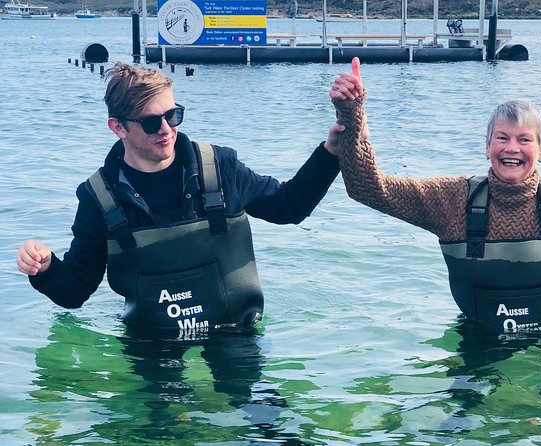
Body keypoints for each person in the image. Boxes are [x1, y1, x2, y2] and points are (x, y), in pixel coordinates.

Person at [328, 58, 541, 333]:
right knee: (451, 419)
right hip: (480, 338)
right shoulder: (451, 199)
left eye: (524, 139)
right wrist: (351, 113)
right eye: (502, 138)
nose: (512, 149)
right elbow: (369, 189)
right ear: (488, 146)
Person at [16, 62, 341, 337]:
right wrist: (44, 268)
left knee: (262, 413)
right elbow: (75, 291)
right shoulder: (98, 197)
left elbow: (289, 207)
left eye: (173, 115)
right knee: (157, 413)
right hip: (151, 343)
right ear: (118, 127)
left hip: (234, 333)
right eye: (150, 121)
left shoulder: (220, 168)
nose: (166, 129)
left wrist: (330, 155)